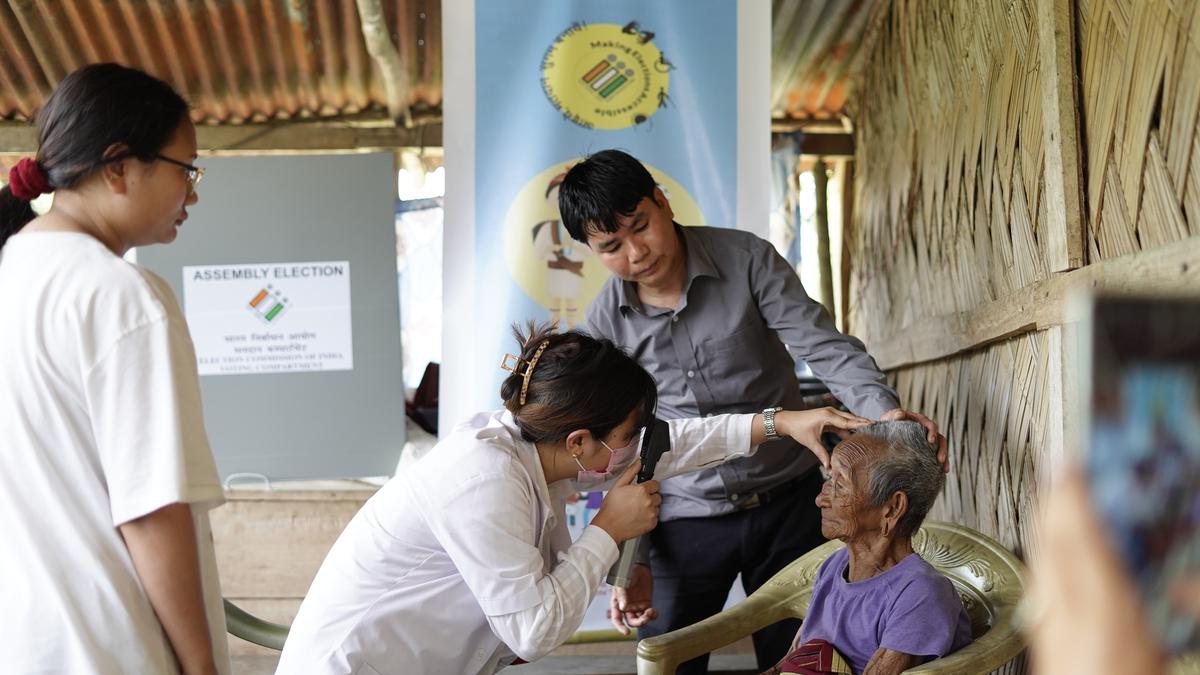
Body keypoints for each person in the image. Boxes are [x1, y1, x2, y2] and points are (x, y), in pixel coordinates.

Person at [275, 323, 870, 675]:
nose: (637, 445)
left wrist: (779, 422)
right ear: (581, 441)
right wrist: (609, 531)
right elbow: (532, 632)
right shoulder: (482, 478)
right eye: (625, 435)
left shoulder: (541, 451)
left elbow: (668, 444)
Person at [557, 149, 946, 673]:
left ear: (662, 201)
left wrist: (885, 415)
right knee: (667, 656)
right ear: (591, 252)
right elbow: (627, 449)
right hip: (685, 518)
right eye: (611, 247)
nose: (636, 252)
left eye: (641, 226)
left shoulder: (746, 259)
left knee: (803, 661)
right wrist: (634, 562)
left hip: (791, 506)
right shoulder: (606, 325)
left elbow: (824, 347)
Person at [0, 64, 227, 674]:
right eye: (187, 169)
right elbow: (151, 511)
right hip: (111, 646)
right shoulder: (123, 296)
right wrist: (202, 667)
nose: (194, 192)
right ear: (120, 165)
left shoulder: (12, 270)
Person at [763, 421, 971, 674]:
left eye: (840, 485)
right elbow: (794, 657)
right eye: (829, 479)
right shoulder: (835, 566)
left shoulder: (919, 594)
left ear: (892, 509)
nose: (820, 499)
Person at [531, 171, 589, 328]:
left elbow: (591, 251)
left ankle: (573, 333)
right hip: (555, 272)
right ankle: (553, 334)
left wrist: (574, 247)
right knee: (554, 304)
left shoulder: (586, 227)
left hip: (573, 272)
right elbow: (539, 251)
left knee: (572, 305)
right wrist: (552, 250)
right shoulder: (547, 228)